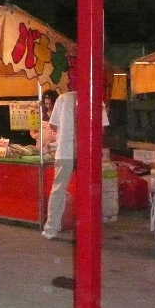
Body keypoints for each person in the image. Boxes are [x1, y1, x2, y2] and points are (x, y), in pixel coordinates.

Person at [42, 85, 108, 240]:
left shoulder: (63, 98)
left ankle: (51, 229)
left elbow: (53, 125)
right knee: (90, 189)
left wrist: (67, 128)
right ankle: (89, 226)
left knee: (58, 189)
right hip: (88, 152)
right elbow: (102, 129)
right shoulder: (96, 100)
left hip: (64, 150)